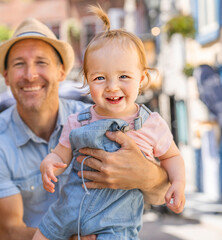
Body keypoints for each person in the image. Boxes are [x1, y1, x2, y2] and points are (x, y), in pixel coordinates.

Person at [0, 16, 171, 240]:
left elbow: (161, 195)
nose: (30, 75)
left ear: (62, 72)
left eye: (41, 62)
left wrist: (146, 175)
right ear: (6, 76)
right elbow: (9, 232)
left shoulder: (103, 118)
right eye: (19, 64)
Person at [32, 6, 185, 240]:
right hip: (68, 212)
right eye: (100, 78)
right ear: (87, 81)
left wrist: (178, 182)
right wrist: (50, 162)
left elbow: (171, 156)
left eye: (123, 76)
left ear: (142, 78)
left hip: (115, 224)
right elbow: (61, 153)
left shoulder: (150, 124)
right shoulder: (78, 120)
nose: (112, 86)